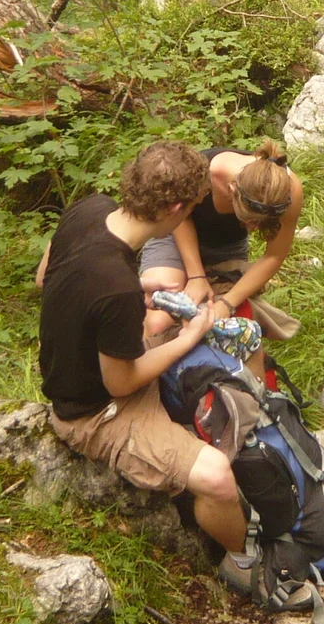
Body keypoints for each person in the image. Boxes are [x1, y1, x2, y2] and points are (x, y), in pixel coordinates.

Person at [35, 142, 258, 594]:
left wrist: (141, 290)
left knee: (222, 333)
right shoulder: (114, 288)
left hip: (87, 361)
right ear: (175, 209)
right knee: (216, 477)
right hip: (93, 411)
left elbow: (46, 278)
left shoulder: (90, 210)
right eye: (191, 208)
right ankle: (244, 563)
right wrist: (185, 338)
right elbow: (122, 383)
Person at [136, 142, 304, 344]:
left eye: (261, 224)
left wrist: (226, 303)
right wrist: (196, 275)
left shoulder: (288, 192)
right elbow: (179, 216)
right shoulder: (205, 172)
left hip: (227, 246)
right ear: (232, 190)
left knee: (219, 323)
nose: (252, 229)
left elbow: (274, 256)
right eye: (248, 220)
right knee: (158, 322)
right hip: (173, 233)